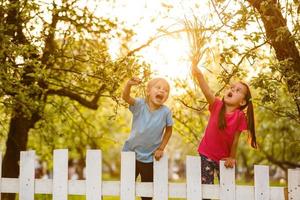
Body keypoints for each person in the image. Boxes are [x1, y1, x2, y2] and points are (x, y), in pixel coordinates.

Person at [191, 63, 257, 189]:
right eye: (232, 88)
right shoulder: (216, 105)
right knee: (206, 189)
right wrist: (199, 75)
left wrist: (232, 157)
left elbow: (236, 140)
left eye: (238, 90)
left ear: (242, 101)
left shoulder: (240, 116)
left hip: (224, 160)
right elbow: (207, 91)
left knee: (227, 190)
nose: (232, 90)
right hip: (206, 155)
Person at [122, 77, 173, 200]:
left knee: (147, 194)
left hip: (150, 158)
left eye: (165, 90)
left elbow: (169, 130)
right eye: (158, 87)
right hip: (131, 153)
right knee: (126, 189)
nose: (162, 91)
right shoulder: (140, 105)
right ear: (148, 91)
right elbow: (126, 97)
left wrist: (161, 148)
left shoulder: (166, 111)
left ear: (166, 96)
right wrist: (129, 84)